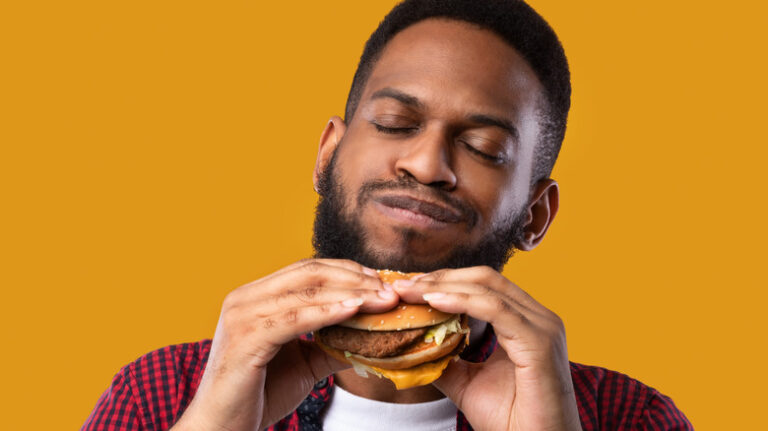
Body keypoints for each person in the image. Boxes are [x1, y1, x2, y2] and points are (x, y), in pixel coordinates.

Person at [82, 1, 692, 430]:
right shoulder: (160, 397)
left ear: (535, 215)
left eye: (483, 149)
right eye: (395, 124)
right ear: (327, 156)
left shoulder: (632, 419)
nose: (427, 164)